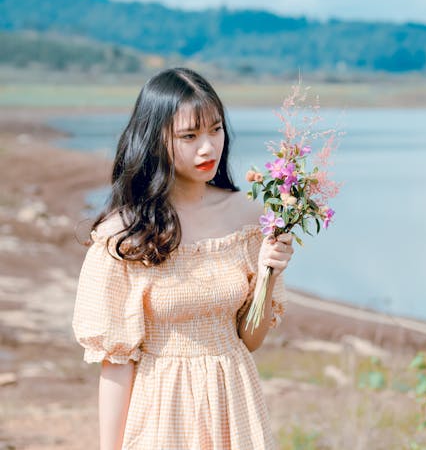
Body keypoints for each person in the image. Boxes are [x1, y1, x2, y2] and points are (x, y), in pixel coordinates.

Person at [72, 67, 293, 450]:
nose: (207, 147)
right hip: (162, 410)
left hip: (235, 403)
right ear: (155, 139)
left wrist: (268, 273)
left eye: (216, 129)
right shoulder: (124, 234)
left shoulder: (249, 216)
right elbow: (117, 363)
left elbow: (249, 340)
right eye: (189, 136)